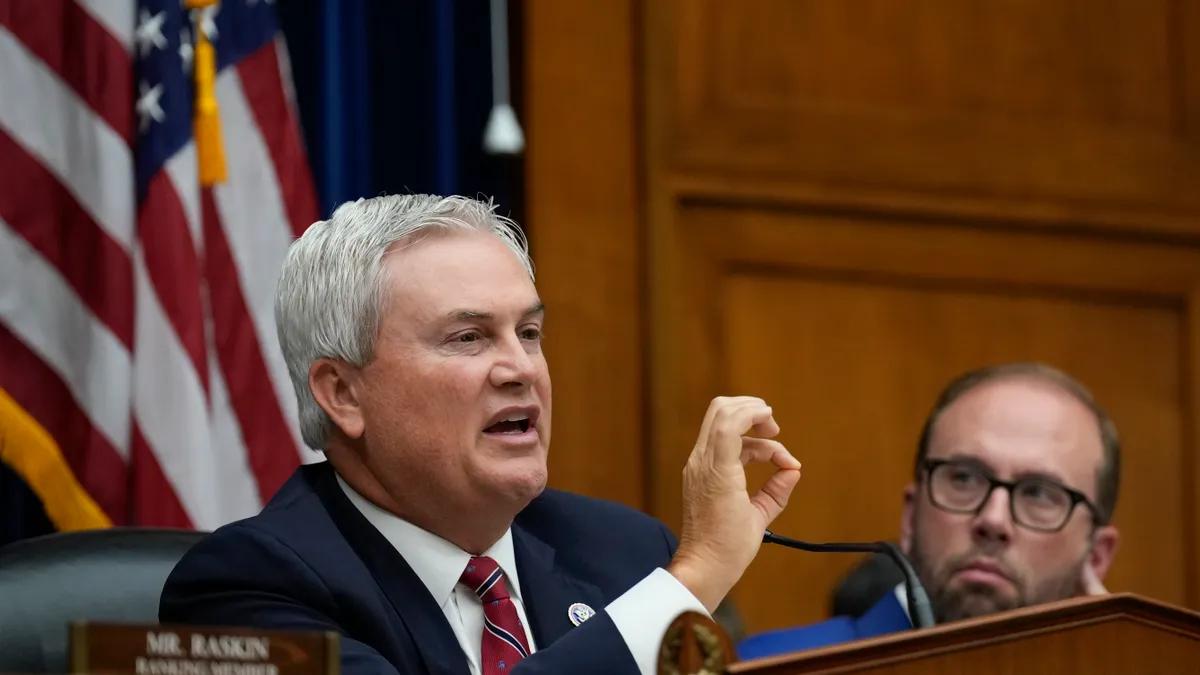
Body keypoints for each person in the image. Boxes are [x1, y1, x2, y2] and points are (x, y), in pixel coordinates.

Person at [158, 194, 802, 675]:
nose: (521, 368)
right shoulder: (242, 592)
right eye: (467, 338)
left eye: (528, 334)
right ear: (343, 394)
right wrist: (693, 581)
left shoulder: (626, 554)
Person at [737, 363, 1120, 659]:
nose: (993, 520)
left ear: (1097, 553)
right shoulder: (770, 668)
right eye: (964, 478)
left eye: (1039, 493)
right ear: (910, 516)